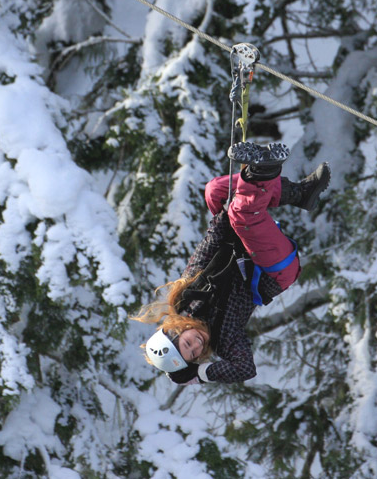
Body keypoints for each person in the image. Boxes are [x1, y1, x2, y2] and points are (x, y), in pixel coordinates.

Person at [132, 140, 331, 384]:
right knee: (241, 213)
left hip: (247, 248)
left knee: (215, 191)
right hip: (274, 269)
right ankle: (260, 172)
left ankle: (300, 193)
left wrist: (223, 214)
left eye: (187, 343)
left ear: (177, 329)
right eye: (194, 354)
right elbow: (245, 369)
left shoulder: (186, 296)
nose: (197, 344)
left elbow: (208, 248)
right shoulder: (224, 339)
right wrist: (201, 374)